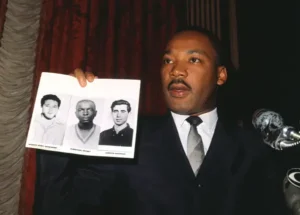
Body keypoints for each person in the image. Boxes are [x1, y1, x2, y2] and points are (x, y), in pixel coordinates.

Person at [34, 27, 288, 215]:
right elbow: (60, 207)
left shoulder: (254, 147)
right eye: (168, 61)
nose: (176, 70)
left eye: (194, 59)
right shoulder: (125, 139)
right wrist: (61, 129)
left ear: (220, 75)